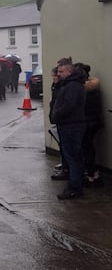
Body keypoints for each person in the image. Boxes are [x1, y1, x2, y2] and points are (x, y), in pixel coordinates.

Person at [50, 58, 86, 200]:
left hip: (71, 126)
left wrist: (57, 115)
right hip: (70, 125)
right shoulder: (69, 84)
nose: (58, 74)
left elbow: (69, 105)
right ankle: (75, 186)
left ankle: (74, 188)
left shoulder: (73, 86)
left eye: (61, 71)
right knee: (73, 157)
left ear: (69, 71)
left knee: (73, 158)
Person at [76, 63, 104, 188]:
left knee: (87, 149)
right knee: (89, 148)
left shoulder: (84, 90)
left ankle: (92, 175)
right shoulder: (93, 88)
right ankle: (92, 174)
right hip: (94, 121)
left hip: (87, 123)